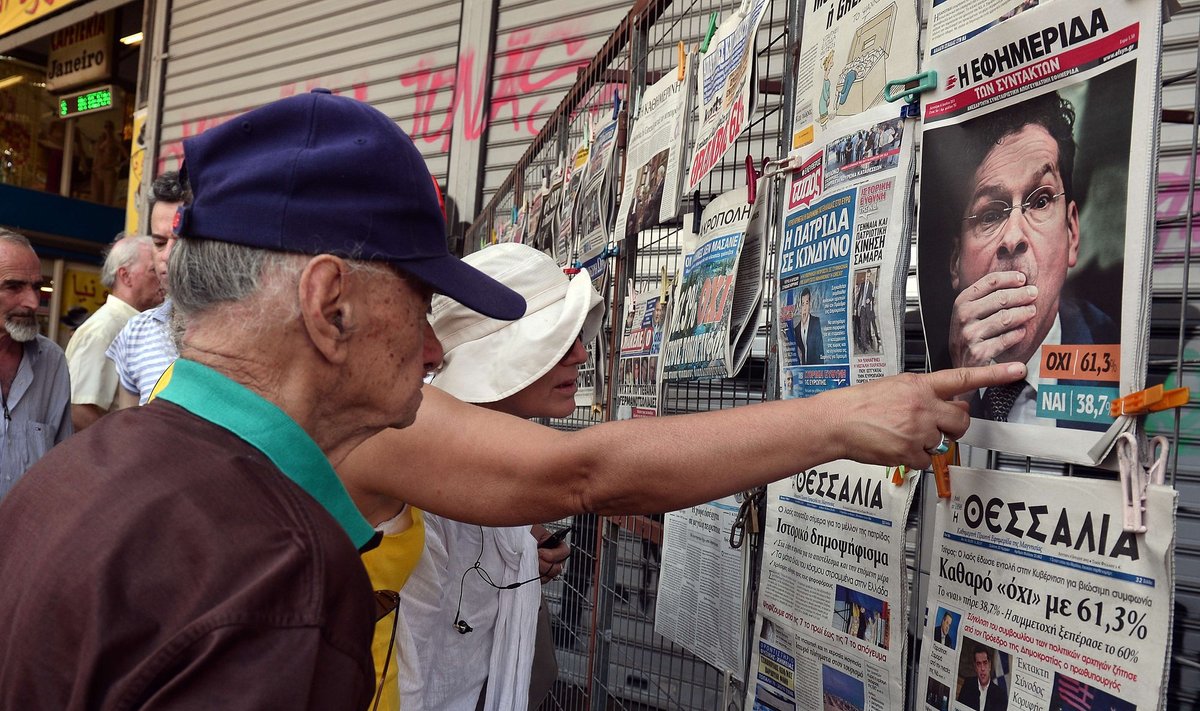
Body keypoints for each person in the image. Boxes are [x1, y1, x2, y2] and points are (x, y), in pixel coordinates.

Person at [0, 90, 526, 708]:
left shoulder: (69, 475)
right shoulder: (284, 569)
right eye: (421, 305)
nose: (433, 348)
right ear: (330, 305)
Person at [396, 242, 599, 711]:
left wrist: (524, 548)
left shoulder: (487, 457)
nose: (581, 355)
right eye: (556, 339)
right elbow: (409, 669)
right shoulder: (427, 481)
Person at [938, 91, 1118, 425]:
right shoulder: (931, 375)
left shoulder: (1121, 363)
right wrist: (960, 390)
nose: (1013, 238)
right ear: (955, 262)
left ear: (1072, 233)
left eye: (1040, 201)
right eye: (990, 214)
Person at [106, 171, 189, 407]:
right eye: (159, 242)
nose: (167, 255)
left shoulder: (242, 329)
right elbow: (128, 431)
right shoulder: (136, 333)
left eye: (182, 240)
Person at [0, 229, 72, 500]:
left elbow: (62, 465)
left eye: (36, 287)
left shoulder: (51, 361)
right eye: (13, 286)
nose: (32, 302)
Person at [65, 234, 162, 430]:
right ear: (125, 276)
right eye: (154, 271)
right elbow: (79, 411)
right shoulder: (103, 331)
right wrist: (125, 447)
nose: (162, 277)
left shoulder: (138, 325)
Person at [957, 646, 1008, 711]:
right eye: (978, 664)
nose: (982, 668)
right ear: (975, 667)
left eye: (985, 663)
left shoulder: (1000, 695)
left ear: (989, 665)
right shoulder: (968, 685)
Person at [790, 286, 824, 365]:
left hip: (815, 367)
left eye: (807, 303)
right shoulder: (797, 328)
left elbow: (820, 350)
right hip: (804, 368)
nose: (805, 307)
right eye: (803, 304)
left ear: (810, 304)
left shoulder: (816, 321)